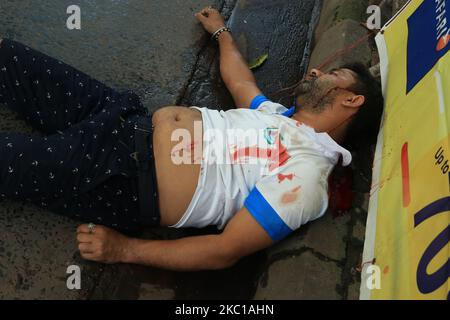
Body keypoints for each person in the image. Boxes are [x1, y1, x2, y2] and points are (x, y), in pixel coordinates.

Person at [0, 7, 383, 271]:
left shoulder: (305, 177)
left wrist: (125, 250)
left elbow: (224, 251)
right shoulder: (278, 117)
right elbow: (240, 81)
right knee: (10, 59)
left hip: (121, 177)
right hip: (121, 117)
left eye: (334, 75)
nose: (318, 71)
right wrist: (221, 33)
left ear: (352, 100)